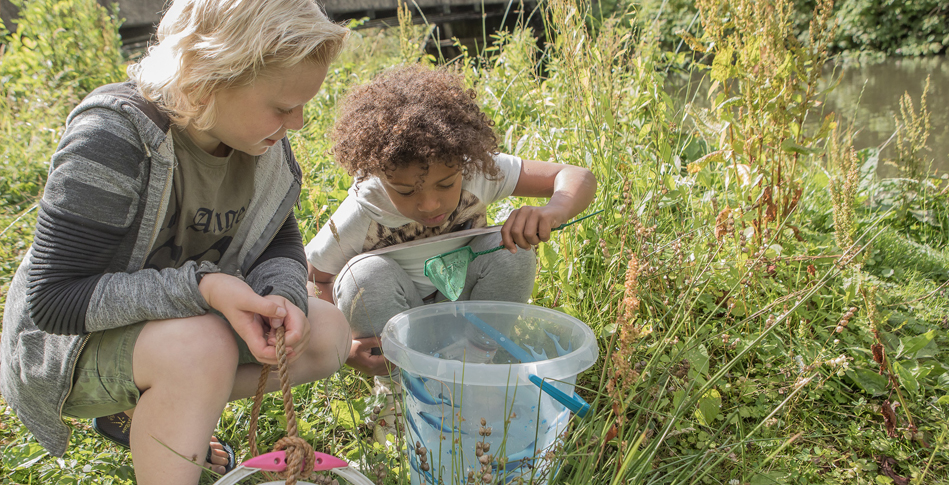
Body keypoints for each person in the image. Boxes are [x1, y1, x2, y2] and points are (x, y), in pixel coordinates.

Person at [0, 1, 351, 484]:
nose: (298, 124)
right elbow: (55, 301)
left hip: (176, 327)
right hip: (69, 349)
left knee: (327, 335)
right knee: (200, 348)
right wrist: (205, 288)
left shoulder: (256, 140)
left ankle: (165, 402)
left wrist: (282, 296)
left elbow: (278, 238)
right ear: (208, 79)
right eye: (284, 107)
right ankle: (170, 398)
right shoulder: (114, 138)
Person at [304, 65, 597, 436]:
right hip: (397, 324)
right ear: (380, 175)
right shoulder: (364, 209)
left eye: (446, 183)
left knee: (511, 251)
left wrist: (552, 211)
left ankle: (474, 367)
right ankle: (401, 386)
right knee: (363, 276)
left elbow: (576, 177)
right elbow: (318, 279)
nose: (429, 204)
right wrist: (345, 343)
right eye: (406, 191)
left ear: (463, 164)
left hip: (464, 309)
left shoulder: (480, 172)